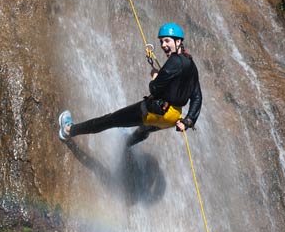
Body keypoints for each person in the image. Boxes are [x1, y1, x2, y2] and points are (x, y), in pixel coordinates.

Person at [58, 22, 203, 147]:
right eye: (161, 42)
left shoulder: (174, 61)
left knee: (109, 120)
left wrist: (155, 76)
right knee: (144, 129)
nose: (163, 45)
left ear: (178, 42)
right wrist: (188, 121)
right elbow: (197, 96)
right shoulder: (191, 64)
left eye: (167, 41)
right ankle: (126, 145)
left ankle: (68, 130)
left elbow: (154, 88)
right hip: (172, 118)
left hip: (154, 112)